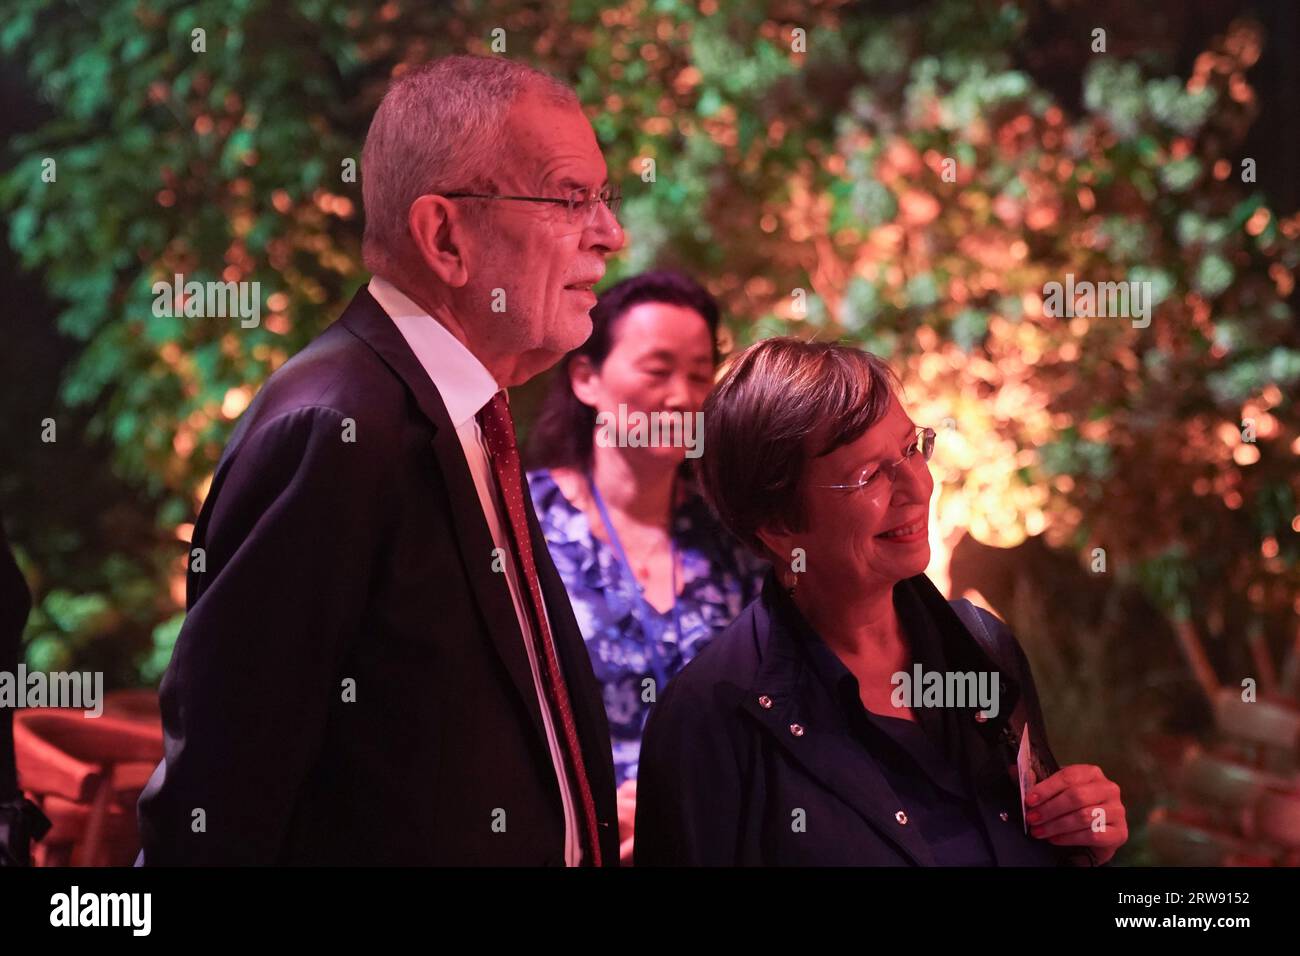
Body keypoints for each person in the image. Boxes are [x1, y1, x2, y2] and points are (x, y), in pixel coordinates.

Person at [137, 55, 626, 865]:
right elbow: (218, 803)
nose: (611, 233)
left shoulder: (467, 413)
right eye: (571, 199)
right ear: (445, 236)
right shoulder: (332, 429)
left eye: (605, 199)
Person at [635, 338, 1128, 865]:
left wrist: (1085, 841)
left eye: (912, 448)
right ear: (779, 527)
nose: (915, 485)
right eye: (869, 475)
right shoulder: (713, 720)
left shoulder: (979, 645)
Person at [525, 270, 766, 862]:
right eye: (657, 371)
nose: (682, 396)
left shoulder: (736, 536)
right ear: (586, 378)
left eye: (700, 374)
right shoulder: (522, 524)